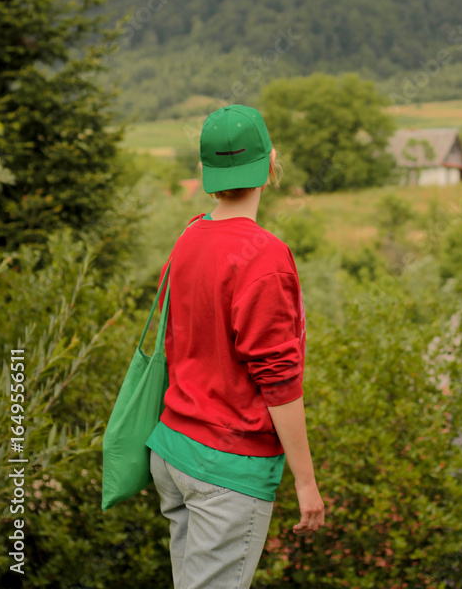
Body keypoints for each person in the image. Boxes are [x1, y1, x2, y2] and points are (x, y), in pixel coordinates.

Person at [146, 103, 324, 589]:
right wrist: (305, 482)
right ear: (270, 165)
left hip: (172, 451)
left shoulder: (187, 238)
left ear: (205, 171)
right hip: (224, 468)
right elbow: (279, 382)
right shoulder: (266, 257)